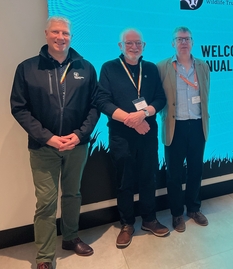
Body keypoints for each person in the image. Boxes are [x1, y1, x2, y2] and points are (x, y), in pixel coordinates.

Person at [10, 17, 99, 269]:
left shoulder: (86, 67)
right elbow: (19, 108)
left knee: (72, 194)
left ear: (71, 36)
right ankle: (45, 257)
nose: (61, 37)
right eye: (56, 32)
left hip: (76, 146)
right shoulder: (27, 68)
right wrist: (47, 137)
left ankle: (70, 238)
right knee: (46, 203)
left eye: (66, 33)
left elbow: (95, 106)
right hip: (43, 149)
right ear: (46, 34)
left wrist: (80, 135)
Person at [95, 29, 169, 248]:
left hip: (148, 132)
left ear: (144, 46)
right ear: (120, 46)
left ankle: (149, 219)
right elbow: (102, 101)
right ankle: (127, 224)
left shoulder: (151, 68)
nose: (134, 47)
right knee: (124, 181)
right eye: (129, 43)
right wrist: (131, 119)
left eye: (138, 43)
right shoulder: (109, 68)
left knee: (149, 177)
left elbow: (160, 99)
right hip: (121, 135)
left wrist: (143, 114)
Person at [157, 26, 210, 232]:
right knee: (174, 174)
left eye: (187, 39)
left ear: (193, 42)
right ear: (173, 43)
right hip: (174, 126)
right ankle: (177, 213)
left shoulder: (203, 67)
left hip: (198, 126)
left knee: (196, 170)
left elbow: (206, 95)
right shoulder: (162, 66)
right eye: (179, 39)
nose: (184, 42)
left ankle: (194, 208)